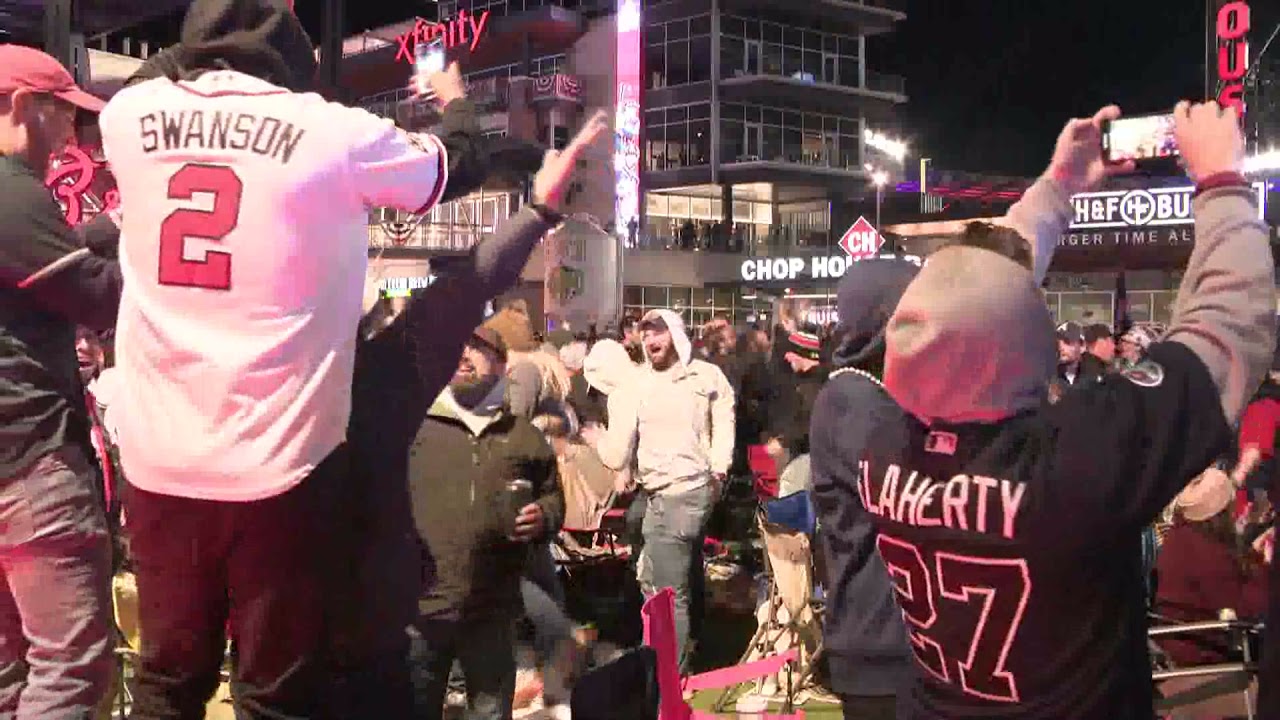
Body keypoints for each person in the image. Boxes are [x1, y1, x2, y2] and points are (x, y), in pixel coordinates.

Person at [94, 0, 473, 714]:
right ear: (294, 56)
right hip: (280, 462)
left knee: (167, 679)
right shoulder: (329, 130)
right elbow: (459, 166)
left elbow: (158, 72)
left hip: (159, 462)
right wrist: (455, 103)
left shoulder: (130, 117)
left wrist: (192, 56)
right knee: (274, 691)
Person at [860, 102, 1274, 719]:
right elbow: (1228, 328)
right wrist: (1220, 182)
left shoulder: (882, 442)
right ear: (1021, 350)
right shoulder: (1073, 461)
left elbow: (975, 301)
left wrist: (1059, 187)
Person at [338, 112, 607, 718]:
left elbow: (465, 286)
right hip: (399, 615)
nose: (464, 358)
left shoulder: (504, 426)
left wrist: (539, 211)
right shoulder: (401, 410)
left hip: (478, 610)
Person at [0, 44, 120, 720]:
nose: (73, 134)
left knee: (8, 668)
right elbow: (101, 299)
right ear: (23, 106)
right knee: (68, 669)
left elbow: (40, 259)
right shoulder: (13, 192)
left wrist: (106, 229)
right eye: (63, 113)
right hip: (30, 464)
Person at [407, 326, 565, 720]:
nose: (463, 355)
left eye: (477, 348)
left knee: (490, 712)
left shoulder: (523, 436)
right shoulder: (414, 428)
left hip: (492, 610)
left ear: (501, 363)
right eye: (456, 345)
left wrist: (544, 516)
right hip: (422, 607)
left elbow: (553, 498)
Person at [585, 309, 736, 662]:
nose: (652, 339)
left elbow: (614, 455)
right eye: (646, 333)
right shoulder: (639, 383)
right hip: (662, 496)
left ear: (677, 334)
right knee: (678, 577)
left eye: (660, 331)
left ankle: (670, 673)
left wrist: (719, 468)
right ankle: (684, 653)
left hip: (683, 493)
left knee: (668, 591)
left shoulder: (705, 375)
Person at [809, 255, 921, 720]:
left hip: (897, 643)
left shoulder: (875, 395)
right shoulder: (852, 400)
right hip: (879, 643)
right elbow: (917, 493)